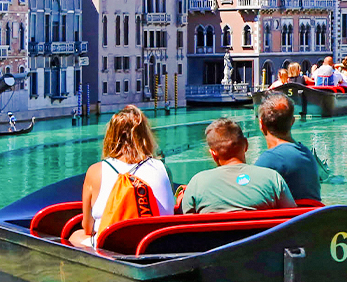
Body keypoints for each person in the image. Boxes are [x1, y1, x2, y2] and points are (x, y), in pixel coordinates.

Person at [70, 105, 175, 247]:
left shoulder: (95, 171)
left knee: (75, 236)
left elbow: (88, 227)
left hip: (112, 243)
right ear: (146, 135)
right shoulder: (163, 168)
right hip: (155, 242)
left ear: (111, 136)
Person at [181, 117, 295, 214]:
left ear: (213, 154)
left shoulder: (197, 183)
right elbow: (293, 220)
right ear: (246, 145)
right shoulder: (272, 179)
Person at [254, 92, 322, 202]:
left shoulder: (268, 160)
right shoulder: (307, 155)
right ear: (292, 121)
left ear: (261, 123)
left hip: (286, 219)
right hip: (310, 217)